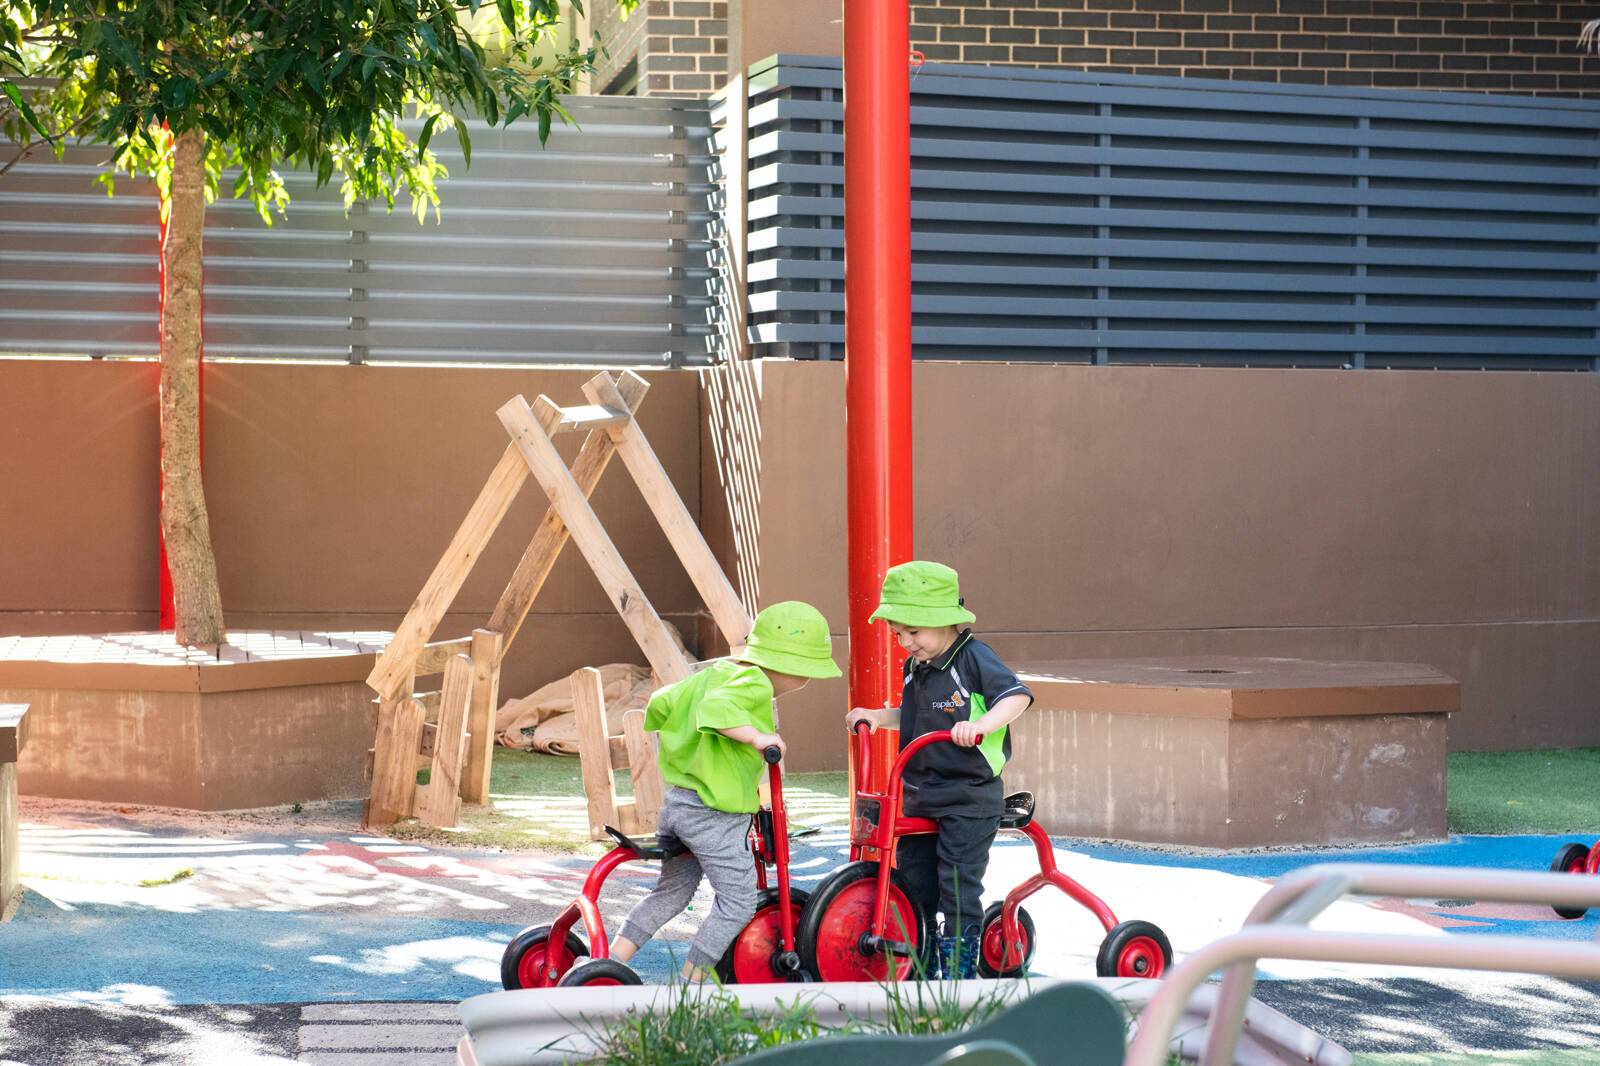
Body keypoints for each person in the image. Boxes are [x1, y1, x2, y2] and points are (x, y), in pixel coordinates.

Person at [610, 600, 841, 981]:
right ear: (791, 667)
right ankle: (692, 983)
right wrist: (757, 737)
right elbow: (717, 710)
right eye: (808, 673)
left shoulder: (715, 673)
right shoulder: (753, 683)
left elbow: (661, 704)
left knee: (670, 894)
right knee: (737, 901)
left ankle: (610, 961)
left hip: (680, 805)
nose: (807, 682)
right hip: (712, 815)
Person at [846, 560, 1033, 979]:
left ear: (944, 621)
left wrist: (981, 725)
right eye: (898, 634)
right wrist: (880, 716)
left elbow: (1017, 697)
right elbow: (916, 715)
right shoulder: (915, 667)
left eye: (913, 632)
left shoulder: (973, 659)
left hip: (968, 796)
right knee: (914, 883)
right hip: (920, 792)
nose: (905, 642)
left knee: (956, 882)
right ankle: (923, 954)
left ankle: (960, 964)